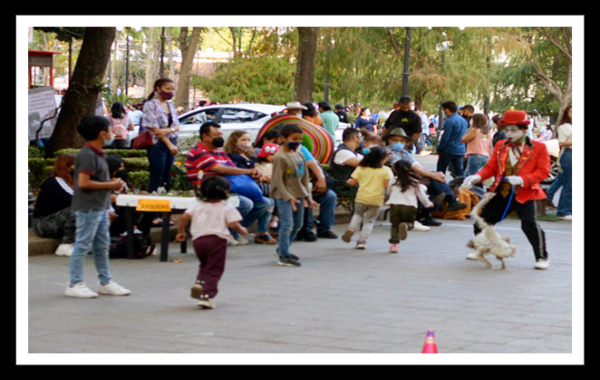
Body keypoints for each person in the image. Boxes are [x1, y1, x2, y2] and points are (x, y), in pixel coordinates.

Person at [462, 110, 551, 270]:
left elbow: (544, 171)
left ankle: (541, 257)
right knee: (481, 222)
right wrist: (476, 177)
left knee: (529, 225)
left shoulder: (539, 148)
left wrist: (524, 179)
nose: (509, 134)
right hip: (501, 192)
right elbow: (491, 168)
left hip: (525, 193)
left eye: (513, 130)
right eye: (506, 130)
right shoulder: (500, 146)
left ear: (524, 130)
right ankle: (480, 249)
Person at [65, 116, 131, 298]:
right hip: (89, 207)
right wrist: (110, 185)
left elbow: (94, 180)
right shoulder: (87, 155)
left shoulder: (98, 154)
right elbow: (84, 183)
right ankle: (74, 283)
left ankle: (105, 281)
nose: (112, 133)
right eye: (110, 130)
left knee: (102, 245)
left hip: (100, 206)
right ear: (102, 134)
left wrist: (110, 182)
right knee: (82, 244)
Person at [185, 122, 274, 246]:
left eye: (221, 134)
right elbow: (221, 169)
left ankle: (234, 230)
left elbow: (234, 170)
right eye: (216, 135)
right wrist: (248, 171)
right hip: (210, 191)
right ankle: (226, 231)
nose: (220, 138)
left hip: (226, 188)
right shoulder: (198, 151)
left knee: (266, 202)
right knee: (245, 203)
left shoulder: (219, 152)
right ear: (205, 137)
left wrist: (256, 176)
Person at [175, 176, 247, 309]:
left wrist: (181, 231)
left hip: (198, 240)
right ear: (225, 192)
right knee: (215, 268)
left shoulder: (197, 205)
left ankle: (200, 282)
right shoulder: (227, 207)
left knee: (204, 264)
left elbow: (184, 217)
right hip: (216, 240)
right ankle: (207, 296)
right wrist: (242, 229)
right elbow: (233, 223)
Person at [384, 127, 467, 226]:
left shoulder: (405, 153)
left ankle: (443, 203)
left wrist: (435, 174)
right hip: (399, 178)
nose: (399, 142)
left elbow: (418, 166)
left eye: (402, 140)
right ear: (389, 140)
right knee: (431, 181)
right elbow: (410, 168)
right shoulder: (389, 152)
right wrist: (432, 175)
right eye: (396, 140)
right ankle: (446, 202)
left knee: (433, 177)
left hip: (410, 176)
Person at [270, 123, 317, 267]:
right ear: (283, 138)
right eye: (294, 139)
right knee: (287, 224)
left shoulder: (300, 154)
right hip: (283, 195)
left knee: (298, 225)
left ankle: (282, 249)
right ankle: (284, 255)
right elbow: (277, 180)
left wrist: (308, 195)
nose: (297, 142)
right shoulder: (280, 157)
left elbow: (304, 176)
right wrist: (287, 196)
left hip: (298, 194)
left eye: (299, 140)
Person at [140, 78, 180, 227]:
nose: (170, 92)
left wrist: (168, 130)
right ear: (158, 88)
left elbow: (177, 126)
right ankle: (152, 215)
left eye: (172, 89)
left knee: (166, 179)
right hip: (158, 145)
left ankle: (163, 213)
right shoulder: (150, 105)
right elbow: (155, 129)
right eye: (167, 89)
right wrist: (169, 143)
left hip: (171, 142)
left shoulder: (171, 105)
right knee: (156, 178)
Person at [342, 146, 394, 249]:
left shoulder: (361, 168)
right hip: (377, 199)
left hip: (361, 197)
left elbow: (352, 182)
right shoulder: (386, 170)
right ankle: (361, 242)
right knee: (369, 221)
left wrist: (347, 181)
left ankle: (352, 228)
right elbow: (387, 185)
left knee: (357, 214)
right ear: (382, 159)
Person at [32, 153, 77, 257]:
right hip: (44, 223)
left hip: (61, 220)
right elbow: (73, 200)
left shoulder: (74, 182)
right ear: (67, 166)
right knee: (79, 208)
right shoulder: (54, 182)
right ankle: (66, 244)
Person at [386, 159, 435, 253]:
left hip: (395, 205)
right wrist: (428, 204)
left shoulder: (392, 181)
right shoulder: (415, 181)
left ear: (395, 169)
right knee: (410, 223)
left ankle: (394, 245)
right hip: (409, 206)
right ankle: (406, 226)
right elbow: (421, 195)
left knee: (395, 225)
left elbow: (389, 192)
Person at [545, 105, 572, 220]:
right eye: (571, 112)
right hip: (569, 154)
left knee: (563, 178)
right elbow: (561, 143)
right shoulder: (564, 127)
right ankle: (563, 211)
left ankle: (548, 196)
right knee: (569, 183)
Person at [436, 101, 468, 178]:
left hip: (449, 149)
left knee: (441, 170)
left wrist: (440, 148)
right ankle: (463, 185)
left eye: (444, 109)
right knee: (459, 171)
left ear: (447, 110)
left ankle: (440, 186)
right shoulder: (464, 121)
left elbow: (445, 137)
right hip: (460, 149)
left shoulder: (450, 121)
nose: (444, 112)